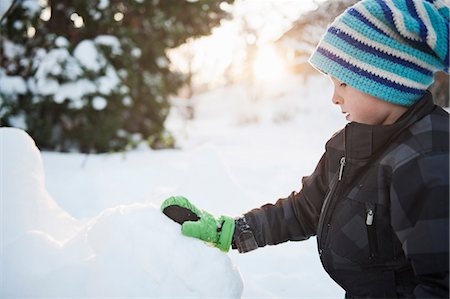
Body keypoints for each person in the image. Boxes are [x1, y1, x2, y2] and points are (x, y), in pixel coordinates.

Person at [161, 0, 450, 297]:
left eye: (343, 84)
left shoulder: (429, 161)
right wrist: (231, 231)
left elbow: (441, 285)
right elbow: (304, 210)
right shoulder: (351, 144)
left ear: (386, 80)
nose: (334, 98)